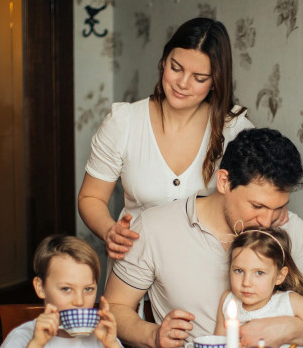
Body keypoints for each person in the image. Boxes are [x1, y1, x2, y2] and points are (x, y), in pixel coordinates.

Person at [104, 128, 303, 348]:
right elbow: (115, 307)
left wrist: (289, 329)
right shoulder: (154, 227)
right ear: (224, 182)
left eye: (278, 207)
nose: (268, 221)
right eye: (257, 206)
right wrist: (154, 336)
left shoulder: (291, 228)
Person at [78, 17, 256, 261]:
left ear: (216, 81)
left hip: (206, 269)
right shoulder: (124, 122)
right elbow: (91, 197)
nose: (182, 83)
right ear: (163, 61)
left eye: (199, 78)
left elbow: (254, 205)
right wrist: (110, 231)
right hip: (135, 264)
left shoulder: (235, 130)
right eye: (176, 68)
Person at [0, 235, 132, 348]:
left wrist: (113, 345)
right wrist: (35, 345)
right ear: (40, 287)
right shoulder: (23, 337)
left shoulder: (102, 339)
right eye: (66, 289)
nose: (79, 301)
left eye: (88, 289)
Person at [213, 227, 303, 348]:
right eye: (238, 271)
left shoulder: (291, 302)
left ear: (279, 276)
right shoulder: (228, 301)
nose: (246, 283)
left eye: (259, 273)